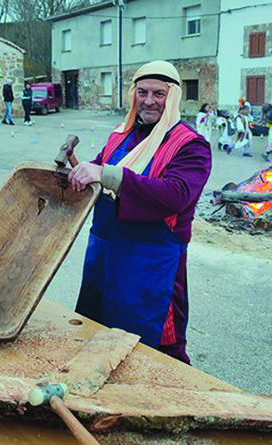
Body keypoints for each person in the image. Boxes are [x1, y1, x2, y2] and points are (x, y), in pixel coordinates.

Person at [67, 60, 212, 364]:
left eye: (158, 94)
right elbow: (97, 170)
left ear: (172, 97)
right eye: (142, 92)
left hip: (150, 265)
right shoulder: (121, 135)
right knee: (97, 335)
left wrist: (105, 174)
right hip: (104, 256)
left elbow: (176, 195)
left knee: (152, 351)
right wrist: (76, 173)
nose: (148, 101)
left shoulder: (191, 145)